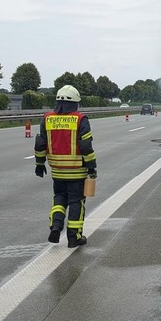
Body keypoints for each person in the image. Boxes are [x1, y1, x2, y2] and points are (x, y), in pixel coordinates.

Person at [34, 85, 97, 248]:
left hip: (57, 171)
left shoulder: (47, 119)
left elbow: (40, 143)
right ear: (76, 103)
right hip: (76, 171)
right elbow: (86, 146)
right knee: (76, 202)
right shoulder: (80, 119)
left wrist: (39, 164)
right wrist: (91, 166)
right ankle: (73, 237)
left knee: (59, 198)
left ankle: (55, 226)